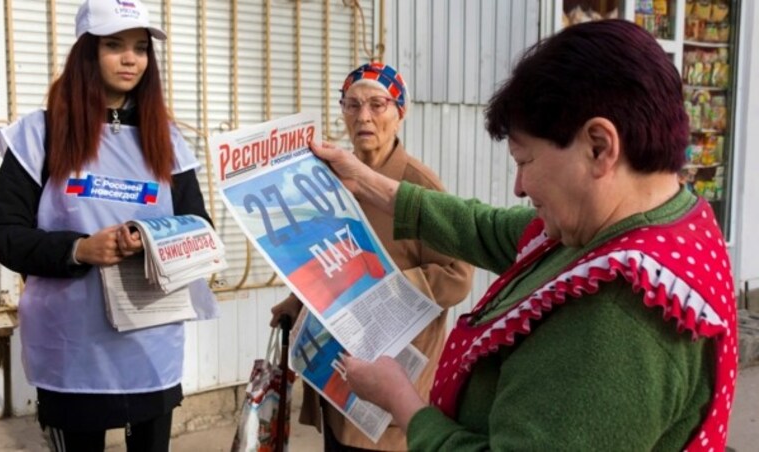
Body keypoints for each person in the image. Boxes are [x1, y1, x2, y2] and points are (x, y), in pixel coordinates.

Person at [311, 20, 737, 451]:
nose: (519, 187)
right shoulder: (652, 222)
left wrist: (402, 401)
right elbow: (485, 228)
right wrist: (367, 183)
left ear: (599, 147)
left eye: (524, 160)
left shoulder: (614, 324)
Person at [0, 1, 215, 450]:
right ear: (87, 52)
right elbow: (1, 232)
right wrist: (79, 250)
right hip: (72, 350)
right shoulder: (39, 135)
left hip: (151, 346)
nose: (131, 59)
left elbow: (198, 228)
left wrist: (150, 242)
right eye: (115, 45)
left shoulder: (166, 141)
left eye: (141, 48)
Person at [270, 62, 474, 451]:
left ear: (401, 111)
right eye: (352, 105)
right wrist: (296, 301)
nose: (364, 117)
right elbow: (323, 260)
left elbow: (458, 275)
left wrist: (384, 289)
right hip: (335, 367)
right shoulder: (328, 179)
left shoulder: (420, 186)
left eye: (377, 105)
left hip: (394, 371)